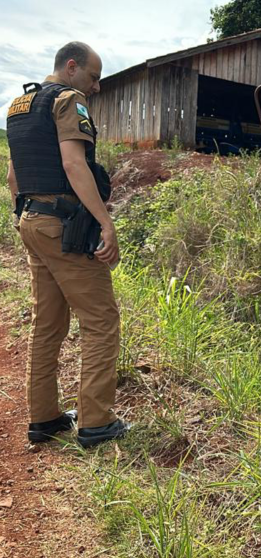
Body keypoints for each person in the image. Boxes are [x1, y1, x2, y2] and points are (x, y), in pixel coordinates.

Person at [5, 41, 130, 447]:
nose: (95, 87)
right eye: (93, 77)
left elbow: (13, 174)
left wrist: (24, 217)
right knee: (101, 320)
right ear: (71, 67)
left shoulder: (18, 106)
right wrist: (104, 223)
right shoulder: (67, 100)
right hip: (62, 226)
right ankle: (96, 423)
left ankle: (45, 419)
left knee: (48, 325)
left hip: (31, 221)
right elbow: (74, 164)